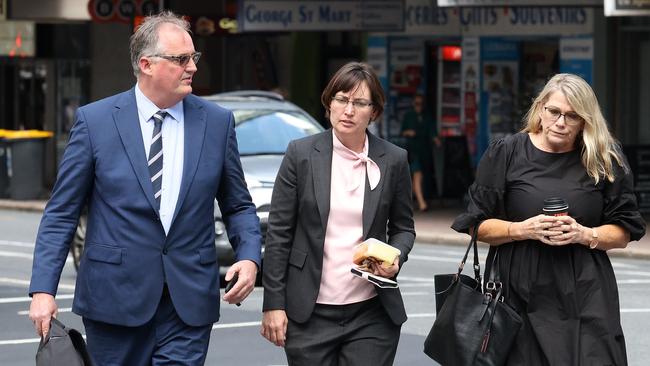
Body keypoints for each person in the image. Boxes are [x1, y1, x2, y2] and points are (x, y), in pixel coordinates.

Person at [28, 11, 261, 365]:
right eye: (181, 59)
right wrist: (43, 290)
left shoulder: (216, 122)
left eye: (194, 57)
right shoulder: (96, 122)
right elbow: (61, 212)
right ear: (146, 64)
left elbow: (238, 205)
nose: (193, 67)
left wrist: (248, 256)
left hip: (188, 303)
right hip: (114, 301)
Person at [452, 73, 646, 365]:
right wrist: (522, 229)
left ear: (585, 121)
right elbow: (475, 223)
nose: (561, 122)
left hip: (585, 289)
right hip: (518, 291)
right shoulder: (507, 152)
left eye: (572, 116)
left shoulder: (604, 159)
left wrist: (584, 234)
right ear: (540, 109)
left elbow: (624, 230)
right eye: (554, 111)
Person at [260, 62, 415, 365]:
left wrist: (395, 256)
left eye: (359, 103)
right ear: (329, 102)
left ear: (374, 111)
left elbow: (403, 228)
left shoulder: (393, 159)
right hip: (310, 313)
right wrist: (273, 305)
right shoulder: (300, 154)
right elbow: (279, 234)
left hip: (371, 312)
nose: (348, 110)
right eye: (341, 99)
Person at [401, 94, 439, 211]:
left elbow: (432, 131)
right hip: (413, 150)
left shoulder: (427, 116)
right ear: (413, 104)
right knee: (418, 175)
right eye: (417, 103)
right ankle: (422, 203)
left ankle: (410, 199)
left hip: (425, 150)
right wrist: (409, 132)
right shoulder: (408, 116)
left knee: (421, 177)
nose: (419, 106)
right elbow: (403, 131)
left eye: (421, 104)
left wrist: (435, 139)